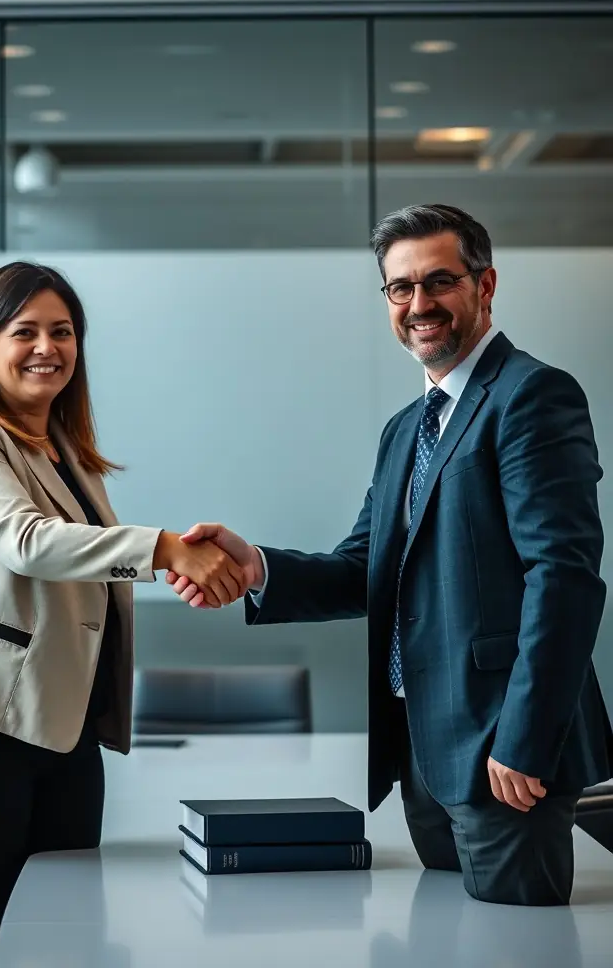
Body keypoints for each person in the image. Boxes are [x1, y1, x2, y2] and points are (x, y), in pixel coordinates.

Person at [167, 204, 613, 906]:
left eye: (439, 281)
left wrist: (525, 741)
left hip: (502, 750)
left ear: (485, 285)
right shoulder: (407, 427)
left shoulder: (531, 396)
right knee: (446, 937)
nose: (418, 304)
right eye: (399, 288)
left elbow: (564, 579)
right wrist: (256, 566)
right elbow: (364, 568)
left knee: (516, 946)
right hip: (422, 750)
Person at [0, 261, 246, 968]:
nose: (47, 347)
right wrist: (167, 549)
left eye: (63, 331)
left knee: (63, 944)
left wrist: (188, 564)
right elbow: (28, 543)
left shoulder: (66, 455)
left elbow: (83, 567)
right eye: (25, 332)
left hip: (61, 739)